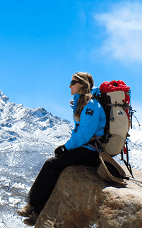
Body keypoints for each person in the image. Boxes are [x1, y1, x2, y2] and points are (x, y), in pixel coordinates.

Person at [17, 72, 106, 226]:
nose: (69, 85)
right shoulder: (83, 104)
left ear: (83, 84)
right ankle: (37, 212)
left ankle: (32, 206)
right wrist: (67, 148)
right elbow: (80, 133)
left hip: (91, 151)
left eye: (73, 82)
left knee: (51, 164)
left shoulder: (91, 106)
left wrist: (66, 148)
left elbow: (85, 134)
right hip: (85, 149)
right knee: (55, 168)